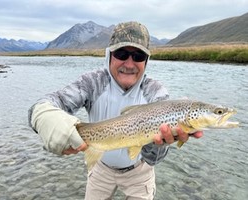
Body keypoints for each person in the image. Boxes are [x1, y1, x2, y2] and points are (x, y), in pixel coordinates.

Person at [28, 21, 203, 200]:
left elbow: (153, 160)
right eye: (121, 54)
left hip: (139, 172)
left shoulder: (156, 93)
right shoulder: (93, 82)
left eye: (138, 56)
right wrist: (43, 115)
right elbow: (49, 103)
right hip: (100, 170)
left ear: (146, 61)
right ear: (109, 55)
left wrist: (160, 144)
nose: (129, 64)